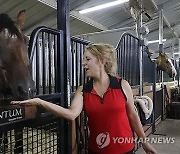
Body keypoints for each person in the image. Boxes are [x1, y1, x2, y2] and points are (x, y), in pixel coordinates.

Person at [11, 43, 157, 154]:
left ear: (101, 61)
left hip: (125, 149)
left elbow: (132, 115)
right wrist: (39, 102)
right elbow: (71, 114)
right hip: (97, 150)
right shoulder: (83, 90)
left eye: (87, 59)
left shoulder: (122, 85)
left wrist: (144, 142)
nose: (83, 63)